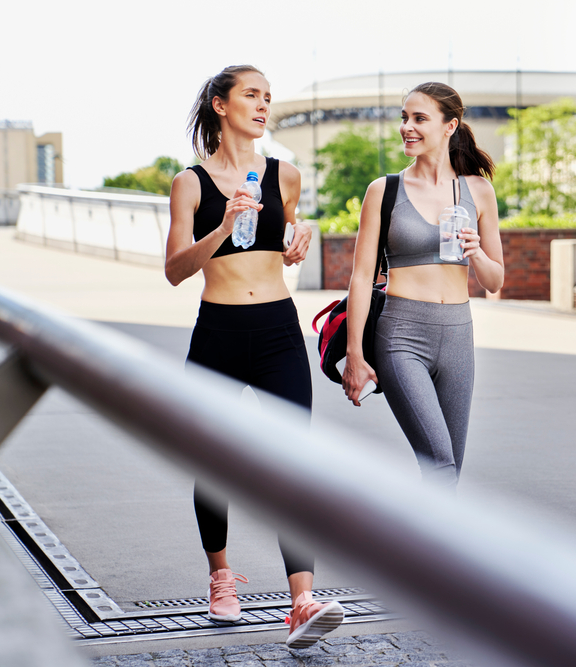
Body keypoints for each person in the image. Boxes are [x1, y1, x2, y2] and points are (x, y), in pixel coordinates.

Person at [165, 64, 342, 649]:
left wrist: (299, 241)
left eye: (269, 97)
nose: (264, 105)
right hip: (217, 330)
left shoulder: (285, 175)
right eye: (251, 95)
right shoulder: (190, 183)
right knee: (213, 460)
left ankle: (301, 599)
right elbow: (174, 271)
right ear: (220, 105)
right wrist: (222, 226)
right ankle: (221, 578)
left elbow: (285, 242)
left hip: (276, 330)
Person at [342, 82, 504, 489]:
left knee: (450, 470)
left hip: (458, 335)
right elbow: (361, 277)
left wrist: (477, 252)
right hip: (401, 335)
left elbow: (494, 279)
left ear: (450, 126)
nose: (407, 128)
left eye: (419, 118)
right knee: (439, 465)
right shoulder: (384, 190)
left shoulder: (478, 191)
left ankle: (420, 551)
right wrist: (356, 354)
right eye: (404, 118)